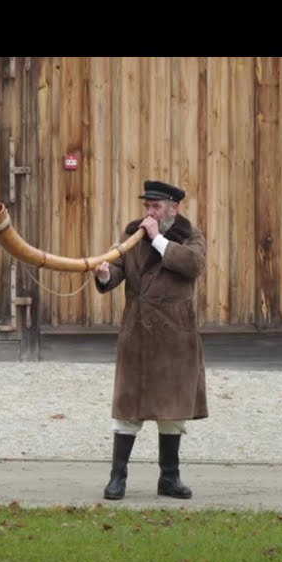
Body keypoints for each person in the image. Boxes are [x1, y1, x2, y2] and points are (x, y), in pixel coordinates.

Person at [92, 179, 207, 500]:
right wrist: (105, 275)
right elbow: (117, 268)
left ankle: (169, 478)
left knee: (173, 413)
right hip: (138, 334)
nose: (150, 212)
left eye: (156, 207)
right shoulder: (132, 235)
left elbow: (193, 265)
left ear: (174, 208)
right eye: (147, 206)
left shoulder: (190, 236)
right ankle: (117, 478)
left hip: (175, 338)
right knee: (128, 410)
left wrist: (157, 240)